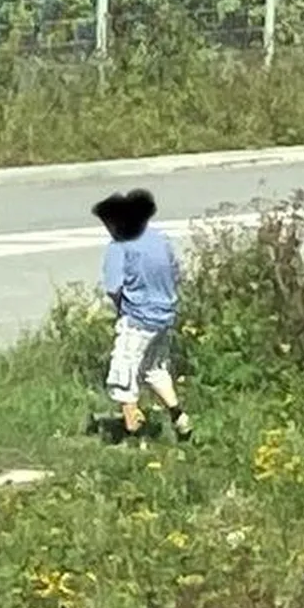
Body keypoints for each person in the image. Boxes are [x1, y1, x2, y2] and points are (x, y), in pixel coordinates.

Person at [92, 187, 191, 443]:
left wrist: (121, 308)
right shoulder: (159, 239)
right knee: (154, 368)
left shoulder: (119, 246)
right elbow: (176, 272)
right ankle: (179, 417)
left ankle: (132, 432)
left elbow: (114, 287)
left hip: (138, 318)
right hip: (164, 315)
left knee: (123, 370)